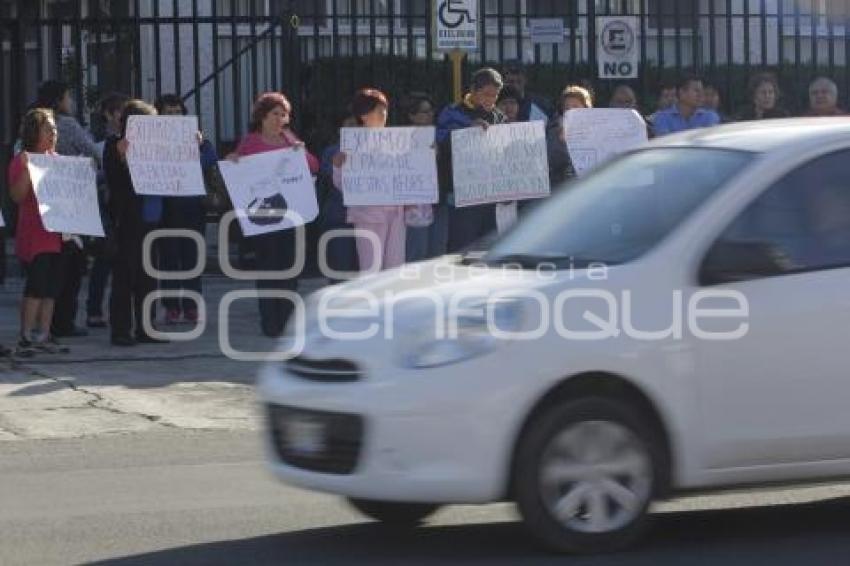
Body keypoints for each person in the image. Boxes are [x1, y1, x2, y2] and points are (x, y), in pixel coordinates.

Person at [227, 92, 320, 337]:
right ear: (262, 117)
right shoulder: (250, 142)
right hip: (264, 220)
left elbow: (313, 167)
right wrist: (233, 160)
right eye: (275, 114)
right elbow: (238, 171)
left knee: (290, 270)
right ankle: (270, 322)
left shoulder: (291, 141)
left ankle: (287, 321)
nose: (280, 119)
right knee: (268, 270)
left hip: (290, 217)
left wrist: (303, 152)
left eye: (284, 114)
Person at [35, 80, 100, 339]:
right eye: (68, 96)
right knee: (71, 265)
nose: (71, 102)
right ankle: (64, 321)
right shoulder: (68, 125)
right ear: (59, 100)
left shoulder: (33, 121)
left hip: (45, 202)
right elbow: (93, 151)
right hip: (71, 203)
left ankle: (45, 322)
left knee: (49, 266)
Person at [104, 99, 169, 347]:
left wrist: (188, 145)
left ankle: (147, 328)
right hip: (129, 221)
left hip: (153, 217)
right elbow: (113, 180)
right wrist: (121, 157)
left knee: (149, 276)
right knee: (125, 275)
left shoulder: (157, 147)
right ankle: (121, 330)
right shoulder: (114, 145)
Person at [7, 108, 69, 356]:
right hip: (35, 234)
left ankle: (44, 334)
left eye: (54, 129)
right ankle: (26, 334)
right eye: (48, 129)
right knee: (37, 285)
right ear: (34, 133)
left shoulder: (58, 160)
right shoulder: (22, 159)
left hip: (57, 234)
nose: (53, 133)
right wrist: (28, 171)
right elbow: (17, 196)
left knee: (52, 288)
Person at [154, 94, 218, 325]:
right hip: (167, 206)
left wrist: (198, 146)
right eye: (168, 112)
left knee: (192, 258)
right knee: (169, 258)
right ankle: (172, 306)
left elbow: (210, 159)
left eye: (177, 111)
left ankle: (191, 306)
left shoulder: (197, 138)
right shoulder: (153, 140)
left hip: (192, 206)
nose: (173, 116)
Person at [332, 88, 406, 271]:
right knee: (371, 268)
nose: (384, 114)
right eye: (379, 109)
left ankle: (392, 300)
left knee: (395, 267)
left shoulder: (397, 140)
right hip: (368, 214)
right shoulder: (351, 143)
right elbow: (341, 184)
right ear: (363, 115)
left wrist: (426, 153)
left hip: (396, 213)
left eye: (385, 109)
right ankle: (372, 300)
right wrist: (338, 166)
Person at [436, 67, 507, 252]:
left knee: (486, 249)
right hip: (461, 195)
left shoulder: (499, 117)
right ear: (473, 91)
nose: (491, 100)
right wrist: (467, 130)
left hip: (490, 195)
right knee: (462, 247)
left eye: (495, 95)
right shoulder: (452, 112)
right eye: (486, 94)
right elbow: (440, 141)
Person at [86, 92, 128, 328]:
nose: (123, 117)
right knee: (103, 259)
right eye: (120, 111)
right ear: (109, 114)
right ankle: (94, 309)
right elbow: (90, 175)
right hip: (104, 208)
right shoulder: (96, 142)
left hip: (124, 207)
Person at [400, 92, 446, 263]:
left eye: (431, 111)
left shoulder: (438, 135)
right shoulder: (399, 140)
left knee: (437, 253)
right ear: (411, 115)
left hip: (437, 202)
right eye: (424, 112)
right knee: (416, 254)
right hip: (415, 205)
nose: (430, 115)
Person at [318, 114, 359, 278]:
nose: (353, 129)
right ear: (339, 130)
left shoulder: (374, 150)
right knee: (341, 270)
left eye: (357, 125)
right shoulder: (331, 152)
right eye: (348, 125)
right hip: (340, 218)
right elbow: (327, 176)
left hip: (368, 218)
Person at [546, 85, 592, 188]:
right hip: (561, 190)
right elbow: (553, 161)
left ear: (586, 108)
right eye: (567, 107)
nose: (571, 111)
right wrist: (562, 137)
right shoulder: (554, 129)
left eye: (575, 106)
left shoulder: (596, 130)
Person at [652, 75, 720, 136]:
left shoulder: (710, 116)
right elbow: (664, 145)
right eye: (696, 91)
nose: (701, 95)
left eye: (702, 91)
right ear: (682, 93)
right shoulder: (663, 118)